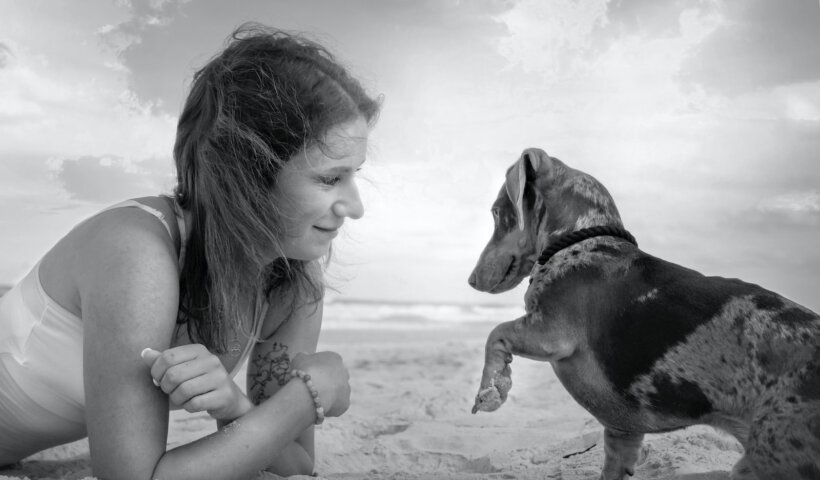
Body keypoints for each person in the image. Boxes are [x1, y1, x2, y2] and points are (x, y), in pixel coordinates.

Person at [0, 22, 380, 479]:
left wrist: (236, 403)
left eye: (354, 174)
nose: (355, 207)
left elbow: (294, 464)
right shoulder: (140, 254)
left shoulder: (290, 285)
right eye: (329, 178)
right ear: (246, 176)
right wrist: (307, 395)